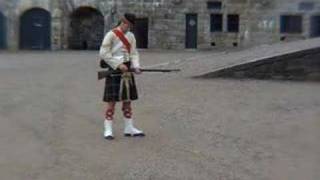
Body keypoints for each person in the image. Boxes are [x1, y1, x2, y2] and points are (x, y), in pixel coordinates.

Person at [99, 13, 145, 140]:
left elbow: (134, 53)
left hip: (127, 70)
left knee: (127, 100)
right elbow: (104, 53)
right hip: (114, 70)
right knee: (112, 101)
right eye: (128, 24)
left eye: (131, 25)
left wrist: (136, 66)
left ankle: (129, 128)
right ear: (123, 22)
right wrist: (118, 64)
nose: (129, 27)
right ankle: (108, 129)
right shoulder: (111, 34)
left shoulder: (131, 36)